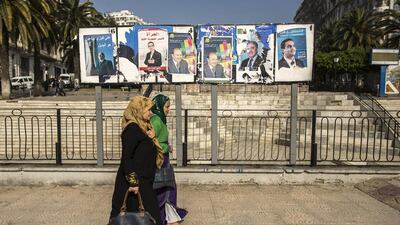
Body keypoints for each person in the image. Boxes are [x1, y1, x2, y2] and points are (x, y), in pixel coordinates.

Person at [109, 96, 164, 225]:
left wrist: (152, 137)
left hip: (144, 182)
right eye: (148, 110)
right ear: (138, 110)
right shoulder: (132, 129)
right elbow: (127, 158)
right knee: (142, 218)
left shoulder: (142, 127)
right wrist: (133, 183)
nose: (151, 113)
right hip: (134, 185)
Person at [150, 94, 188, 225]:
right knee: (165, 191)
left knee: (167, 190)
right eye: (167, 106)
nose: (168, 109)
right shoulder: (156, 121)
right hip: (160, 162)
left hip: (164, 161)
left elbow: (159, 140)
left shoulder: (160, 119)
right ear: (159, 106)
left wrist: (166, 145)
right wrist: (165, 147)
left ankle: (167, 218)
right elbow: (152, 143)